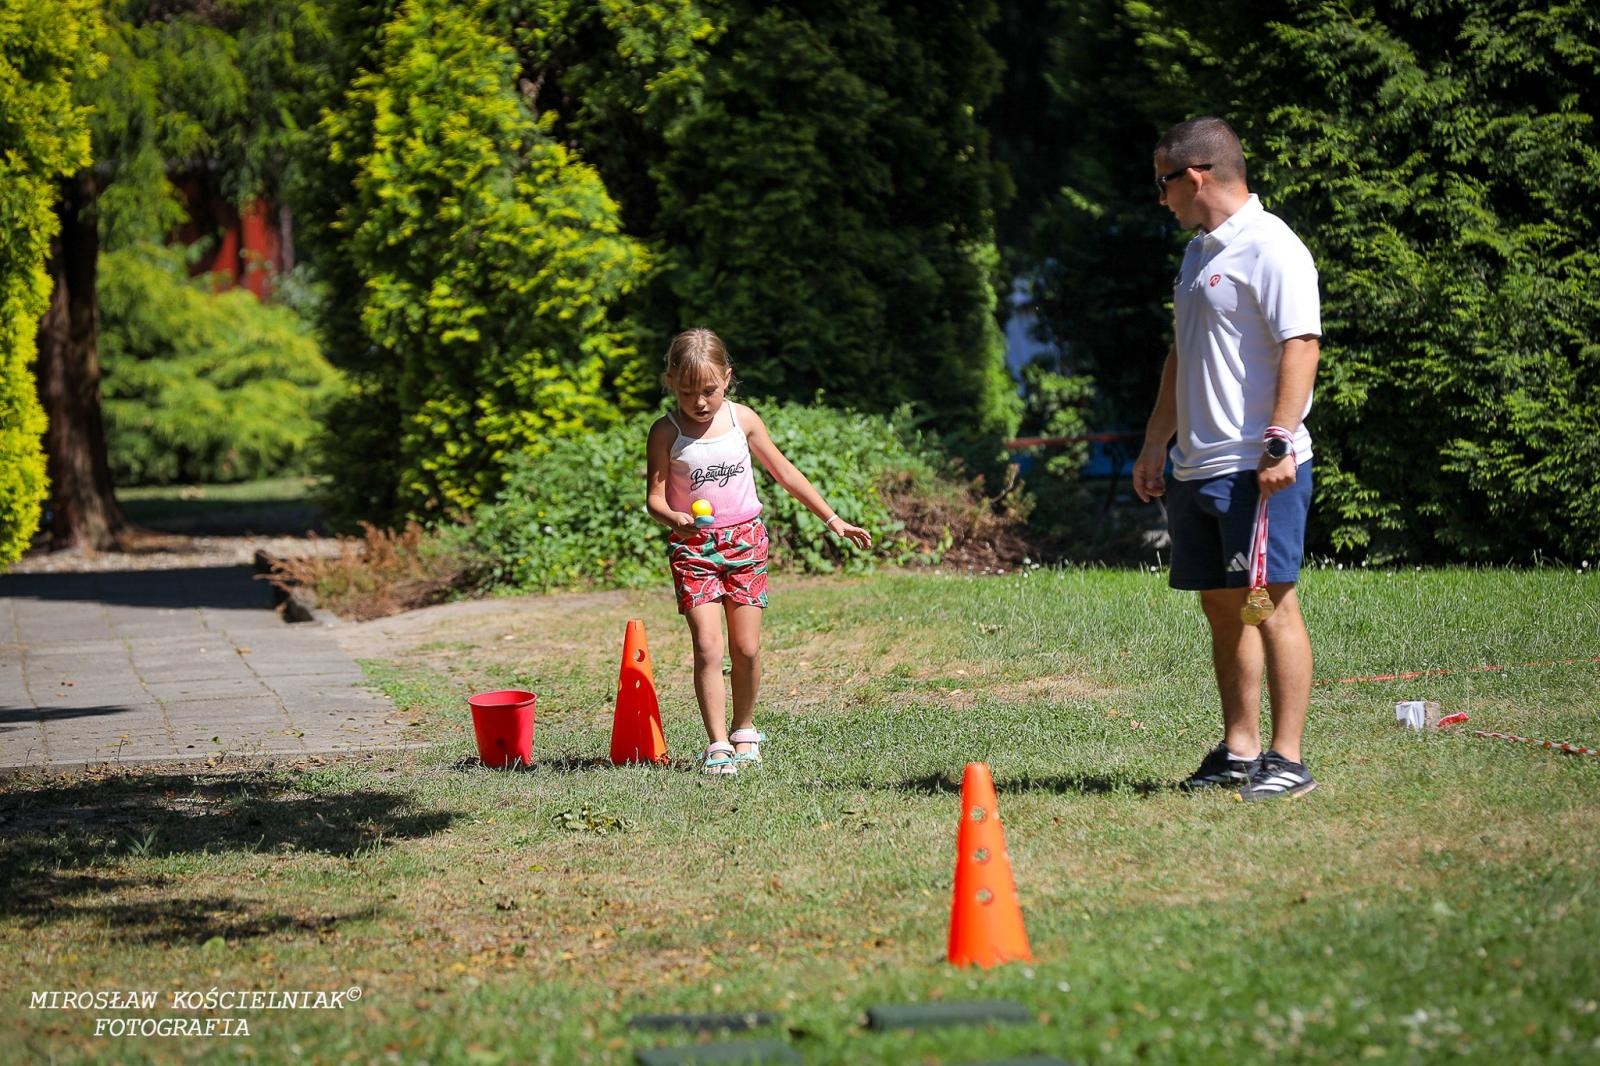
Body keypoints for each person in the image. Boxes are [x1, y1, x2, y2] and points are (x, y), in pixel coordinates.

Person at [1130, 117, 1322, 802]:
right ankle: (1240, 749)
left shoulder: (1272, 247)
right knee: (1223, 606)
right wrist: (1157, 442)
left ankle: (1289, 758)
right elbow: (1184, 355)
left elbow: (1302, 344)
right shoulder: (1200, 252)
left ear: (1197, 176)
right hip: (1198, 466)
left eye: (1163, 182)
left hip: (1256, 468)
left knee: (1269, 605)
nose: (1161, 198)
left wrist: (1278, 438)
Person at [646, 328, 873, 775]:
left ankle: (744, 730)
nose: (700, 402)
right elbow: (654, 498)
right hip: (694, 549)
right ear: (670, 381)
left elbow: (784, 472)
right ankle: (716, 745)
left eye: (709, 390)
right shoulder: (665, 432)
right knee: (709, 647)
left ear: (727, 379)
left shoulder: (742, 420)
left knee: (746, 648)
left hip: (746, 543)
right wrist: (674, 518)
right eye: (689, 391)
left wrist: (834, 520)